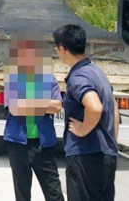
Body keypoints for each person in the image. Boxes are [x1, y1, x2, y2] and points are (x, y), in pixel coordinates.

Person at [53, 24, 119, 200]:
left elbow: (95, 107)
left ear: (62, 48)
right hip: (106, 155)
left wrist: (83, 129)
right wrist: (112, 141)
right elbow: (113, 107)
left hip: (85, 157)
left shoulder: (78, 77)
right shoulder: (97, 72)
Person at [3, 37, 64, 201]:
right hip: (18, 144)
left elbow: (57, 106)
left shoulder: (49, 80)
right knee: (22, 193)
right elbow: (14, 108)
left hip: (43, 145)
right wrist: (43, 103)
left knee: (54, 193)